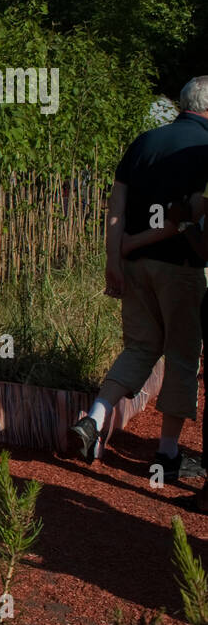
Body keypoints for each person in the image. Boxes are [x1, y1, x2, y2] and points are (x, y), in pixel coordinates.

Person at [68, 76, 208, 478]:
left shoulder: (145, 141)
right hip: (180, 268)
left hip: (135, 265)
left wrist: (116, 256)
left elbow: (117, 205)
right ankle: (166, 455)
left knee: (140, 347)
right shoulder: (204, 150)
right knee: (183, 356)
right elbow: (192, 213)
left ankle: (94, 418)